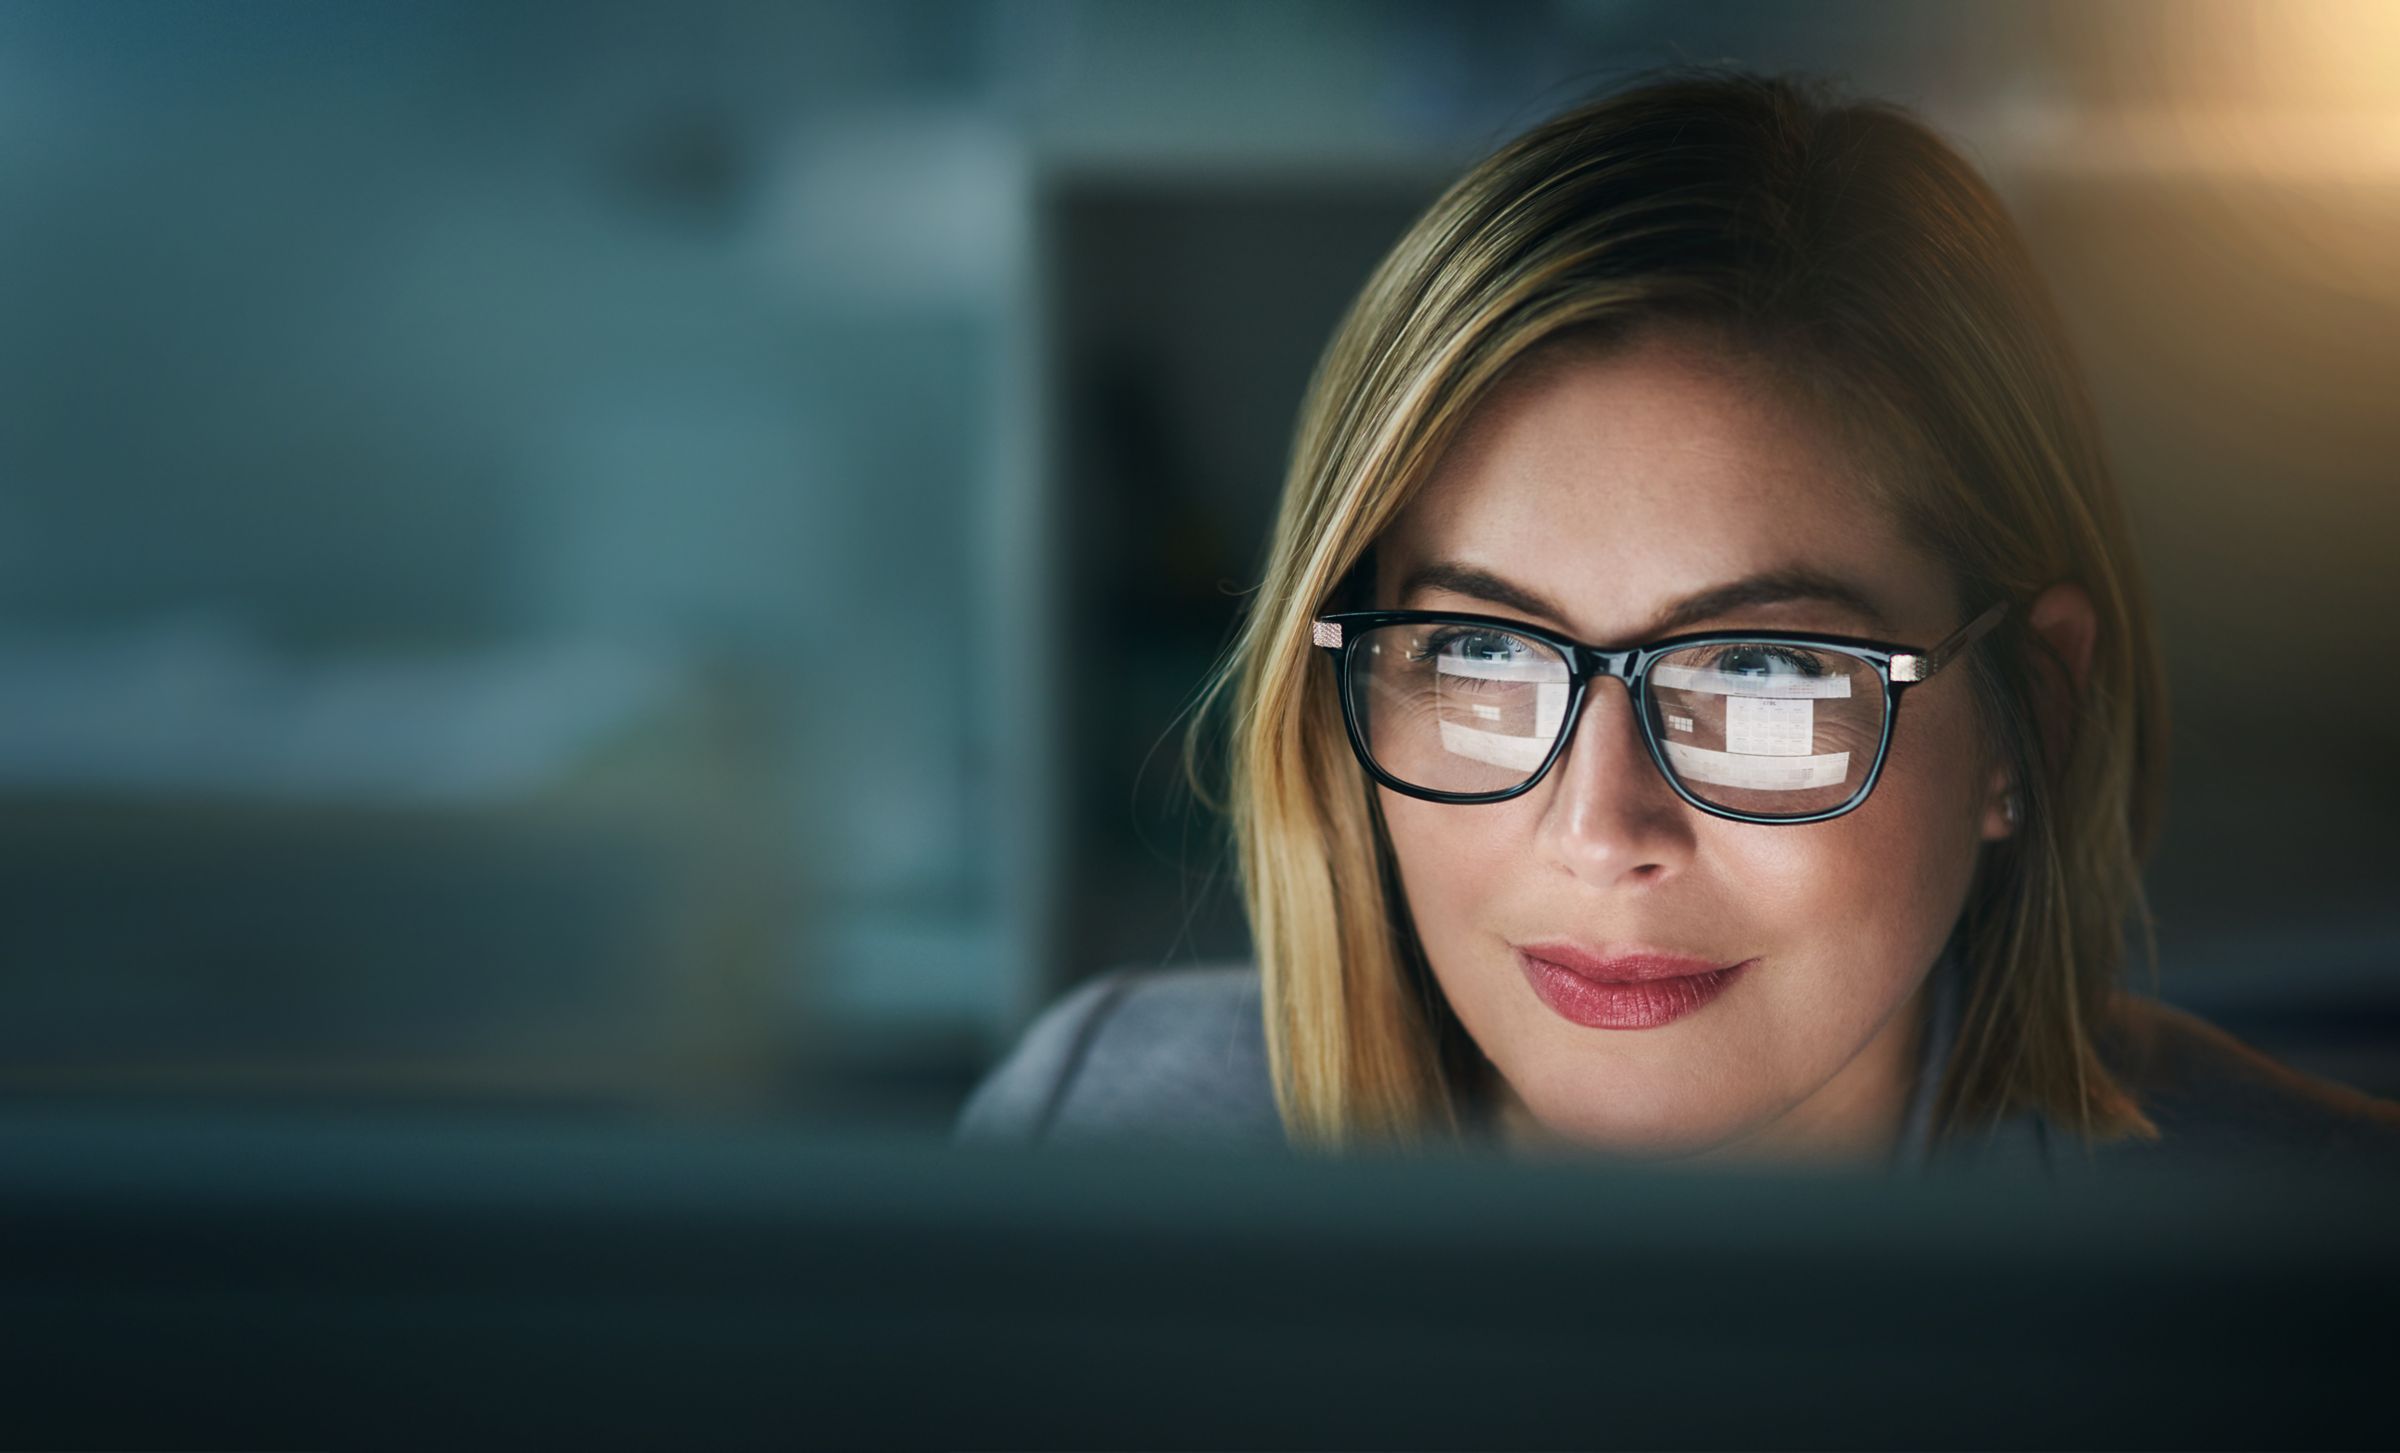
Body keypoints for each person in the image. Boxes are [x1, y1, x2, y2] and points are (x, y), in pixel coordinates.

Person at [955, 68, 2400, 1175]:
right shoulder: (1103, 1136)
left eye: (1762, 670)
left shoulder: (2315, 1246)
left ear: (2036, 712)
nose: (1600, 825)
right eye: (1478, 653)